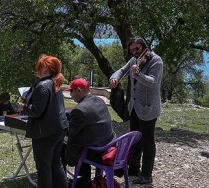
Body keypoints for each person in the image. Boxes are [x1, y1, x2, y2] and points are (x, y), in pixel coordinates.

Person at [110, 37, 163, 185]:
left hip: (148, 109)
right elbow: (122, 71)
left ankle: (147, 174)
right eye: (131, 50)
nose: (134, 52)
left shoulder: (156, 61)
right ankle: (133, 167)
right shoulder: (134, 60)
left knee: (147, 142)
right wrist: (114, 78)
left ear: (145, 47)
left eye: (137, 49)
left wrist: (138, 74)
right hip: (134, 107)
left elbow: (153, 82)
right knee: (134, 139)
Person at [17, 54, 68, 188]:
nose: (37, 69)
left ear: (45, 68)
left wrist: (23, 107)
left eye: (39, 66)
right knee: (56, 164)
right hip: (58, 129)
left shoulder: (43, 85)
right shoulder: (55, 83)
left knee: (44, 168)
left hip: (45, 132)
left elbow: (36, 111)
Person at [65, 78, 115, 186]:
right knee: (83, 138)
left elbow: (70, 132)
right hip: (109, 144)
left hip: (97, 151)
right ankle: (85, 177)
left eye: (71, 91)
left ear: (78, 90)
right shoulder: (99, 100)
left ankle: (60, 179)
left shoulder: (79, 110)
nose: (70, 94)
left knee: (62, 144)